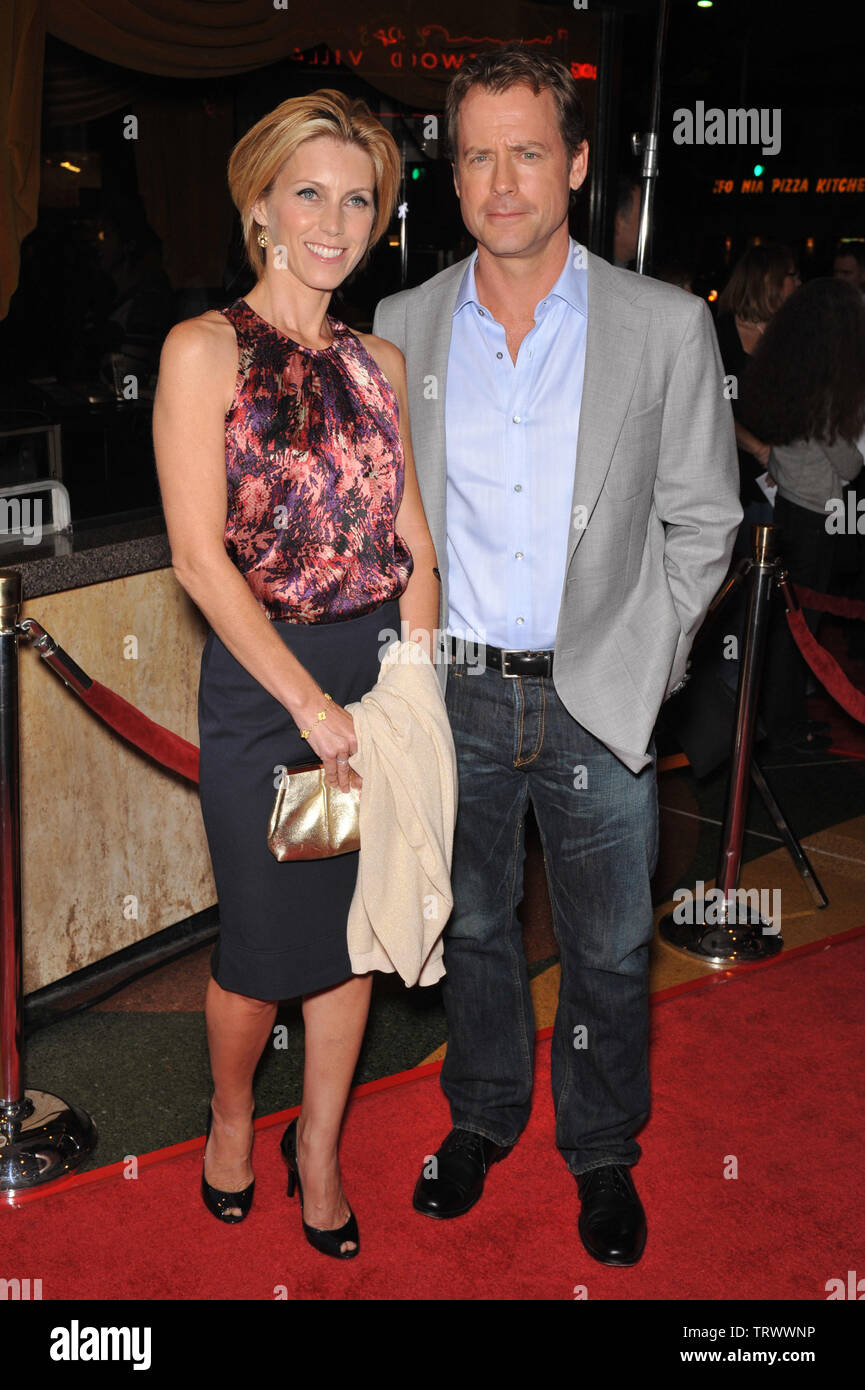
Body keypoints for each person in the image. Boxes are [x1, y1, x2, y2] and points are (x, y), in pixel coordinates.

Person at [373, 46, 742, 1266]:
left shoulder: (664, 324)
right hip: (456, 689)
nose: (502, 181)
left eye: (528, 151)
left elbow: (707, 522)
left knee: (608, 946)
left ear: (576, 164)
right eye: (476, 154)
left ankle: (601, 1150)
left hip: (597, 697)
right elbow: (390, 523)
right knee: (470, 927)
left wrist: (644, 660)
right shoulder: (402, 323)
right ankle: (478, 1115)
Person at [152, 89, 439, 1258]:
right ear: (261, 205)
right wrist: (311, 706)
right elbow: (195, 556)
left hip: (378, 671)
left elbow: (412, 537)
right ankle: (233, 1113)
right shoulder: (203, 348)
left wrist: (413, 681)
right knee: (266, 946)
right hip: (267, 685)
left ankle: (316, 1144)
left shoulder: (380, 359)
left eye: (358, 197)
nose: (333, 218)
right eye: (308, 192)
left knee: (357, 933)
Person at [739, 277, 865, 752]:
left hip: (790, 500)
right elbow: (846, 462)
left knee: (785, 622)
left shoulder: (787, 364)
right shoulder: (825, 380)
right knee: (802, 625)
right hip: (818, 511)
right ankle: (789, 727)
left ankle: (778, 719)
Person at [715, 243, 801, 546]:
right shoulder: (717, 332)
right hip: (726, 479)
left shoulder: (790, 334)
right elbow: (713, 410)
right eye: (792, 275)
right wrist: (760, 450)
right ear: (769, 282)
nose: (798, 283)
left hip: (779, 480)